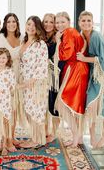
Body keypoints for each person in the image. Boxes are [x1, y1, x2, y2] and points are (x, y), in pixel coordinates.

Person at [77, 11, 104, 148]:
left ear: (92, 22)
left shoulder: (96, 37)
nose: (86, 23)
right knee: (91, 106)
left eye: (89, 20)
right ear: (79, 23)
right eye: (83, 21)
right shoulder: (82, 36)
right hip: (94, 75)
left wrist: (84, 59)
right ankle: (93, 136)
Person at [54, 12, 89, 147]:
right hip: (79, 69)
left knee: (64, 104)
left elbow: (65, 55)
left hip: (75, 69)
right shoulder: (72, 32)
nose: (59, 25)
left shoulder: (68, 32)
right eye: (57, 22)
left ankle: (76, 137)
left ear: (68, 21)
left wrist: (58, 42)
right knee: (75, 105)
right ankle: (78, 137)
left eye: (62, 22)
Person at [18, 16, 49, 148]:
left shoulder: (40, 44)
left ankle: (37, 140)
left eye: (34, 26)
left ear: (38, 29)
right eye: (29, 24)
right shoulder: (23, 42)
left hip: (36, 83)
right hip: (25, 81)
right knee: (29, 110)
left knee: (36, 111)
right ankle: (35, 137)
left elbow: (42, 66)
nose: (31, 27)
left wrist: (30, 82)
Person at [0, 13, 22, 151]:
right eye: (9, 21)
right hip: (5, 76)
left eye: (14, 21)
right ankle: (5, 139)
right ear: (5, 24)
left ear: (17, 23)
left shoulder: (21, 37)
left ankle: (11, 136)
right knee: (6, 109)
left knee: (15, 108)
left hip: (18, 75)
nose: (11, 24)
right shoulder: (0, 37)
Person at [42, 13, 61, 143]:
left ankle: (53, 132)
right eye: (46, 22)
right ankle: (45, 130)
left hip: (54, 73)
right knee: (44, 103)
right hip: (42, 74)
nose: (48, 24)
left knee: (54, 103)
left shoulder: (57, 37)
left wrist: (59, 42)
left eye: (51, 22)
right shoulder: (42, 37)